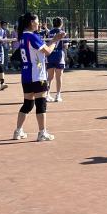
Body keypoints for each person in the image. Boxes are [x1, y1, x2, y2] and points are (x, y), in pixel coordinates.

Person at [13, 12, 65, 142]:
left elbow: (40, 50)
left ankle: (18, 131)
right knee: (41, 104)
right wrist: (55, 40)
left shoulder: (22, 36)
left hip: (26, 76)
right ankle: (42, 133)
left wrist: (52, 40)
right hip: (37, 75)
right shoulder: (32, 36)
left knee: (27, 104)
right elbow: (47, 51)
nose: (39, 23)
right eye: (37, 21)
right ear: (31, 22)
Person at [46, 17, 68, 102]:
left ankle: (47, 94)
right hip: (59, 55)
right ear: (61, 24)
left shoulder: (49, 32)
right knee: (58, 77)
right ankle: (58, 95)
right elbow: (65, 46)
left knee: (49, 77)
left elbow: (47, 44)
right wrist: (66, 56)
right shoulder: (63, 33)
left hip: (50, 55)